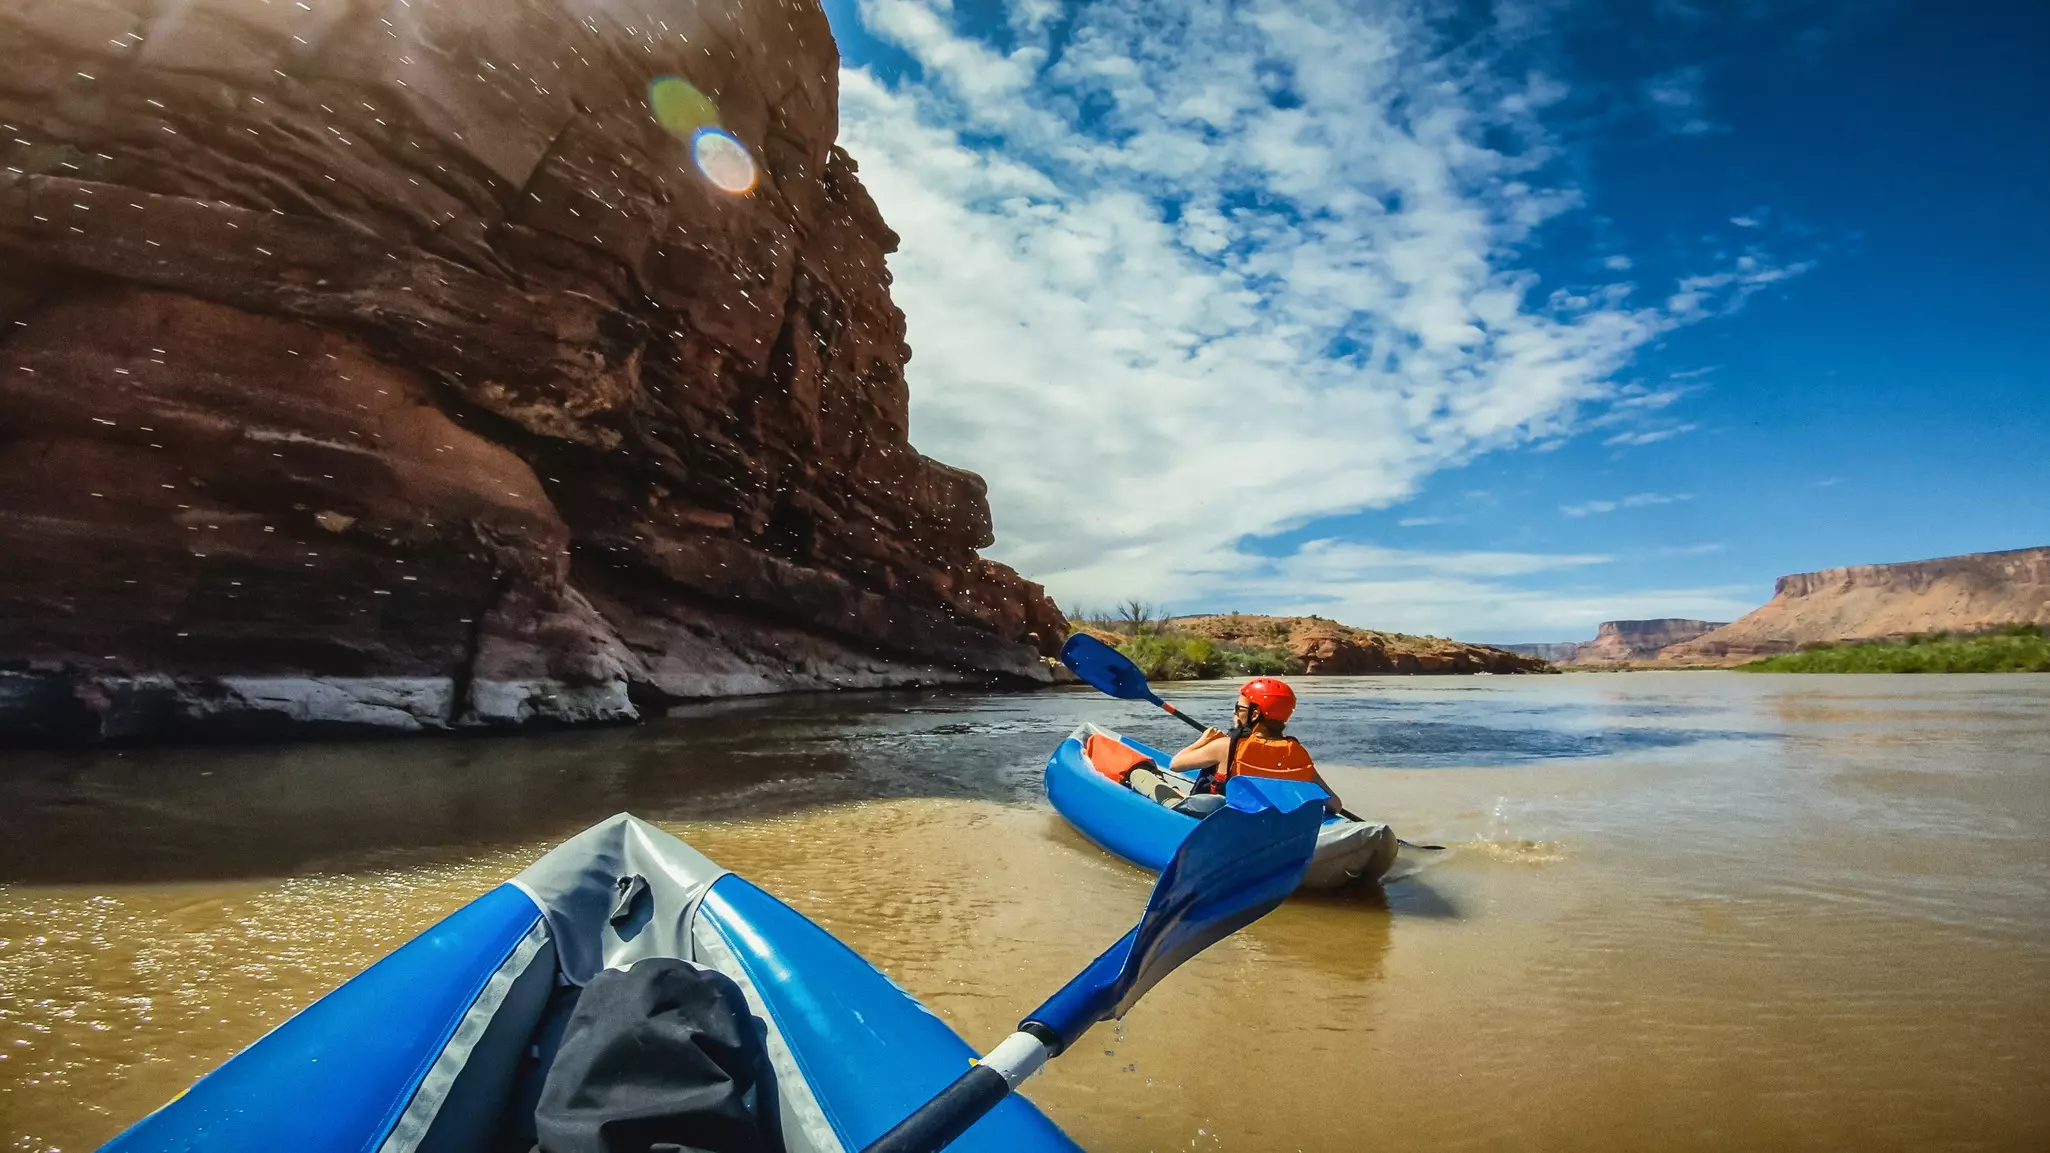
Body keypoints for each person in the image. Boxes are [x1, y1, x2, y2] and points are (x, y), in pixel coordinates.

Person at [1126, 677, 1346, 816]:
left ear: (1255, 713)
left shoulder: (1225, 746)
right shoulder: (1295, 754)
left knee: (1141, 773)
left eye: (1238, 707)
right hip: (1266, 823)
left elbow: (1175, 764)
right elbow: (1335, 804)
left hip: (1219, 820)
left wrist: (1203, 741)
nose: (1235, 712)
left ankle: (1140, 776)